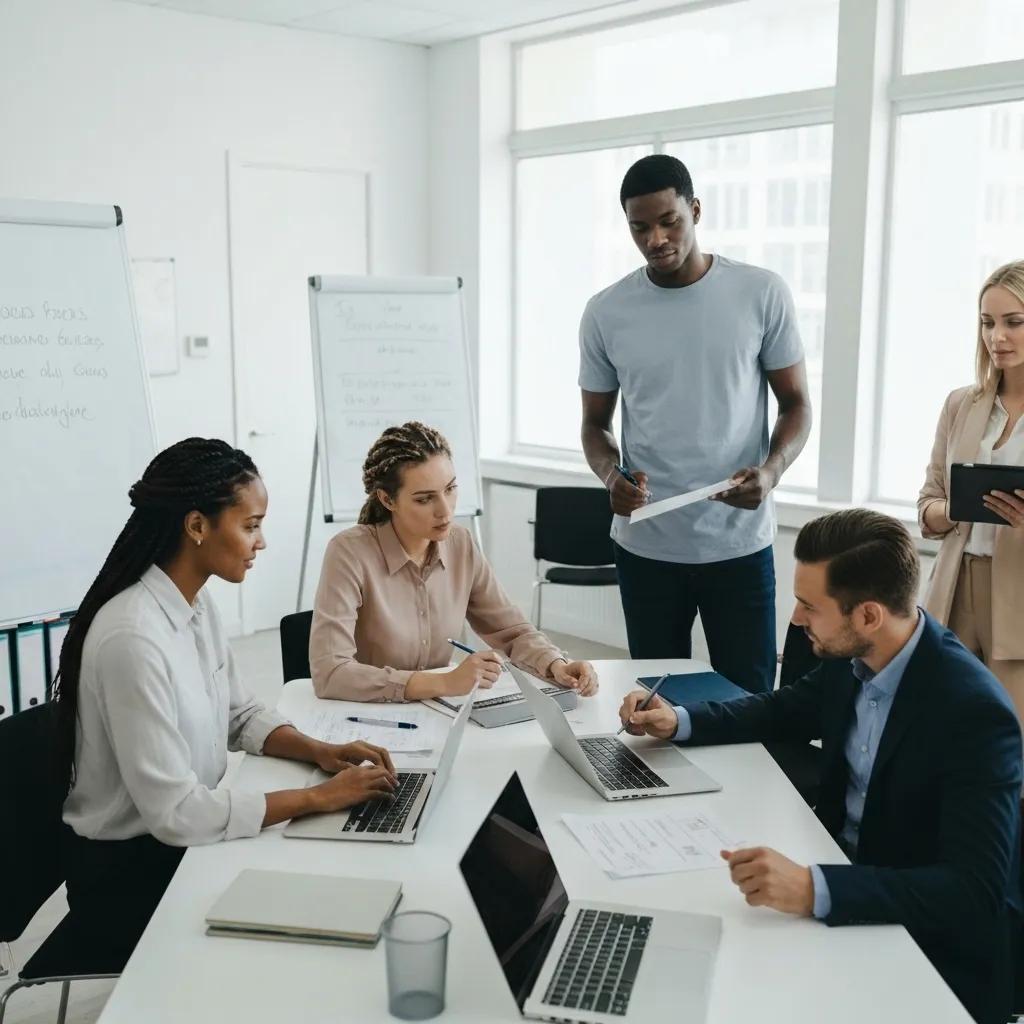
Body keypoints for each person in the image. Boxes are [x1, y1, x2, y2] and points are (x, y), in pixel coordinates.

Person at [617, 509, 1021, 1024]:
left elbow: (972, 892)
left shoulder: (973, 713)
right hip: (837, 870)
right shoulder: (856, 657)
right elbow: (781, 709)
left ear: (868, 615)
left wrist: (814, 889)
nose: (798, 618)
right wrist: (679, 720)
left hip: (920, 943)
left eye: (810, 606)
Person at [54, 438, 398, 973]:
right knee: (306, 905)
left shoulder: (193, 603)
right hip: (130, 874)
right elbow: (177, 815)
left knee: (326, 867)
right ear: (197, 526)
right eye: (250, 525)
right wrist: (316, 798)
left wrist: (320, 751)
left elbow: (240, 714)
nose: (261, 542)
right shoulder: (133, 639)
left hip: (178, 843)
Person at [579, 153, 811, 693]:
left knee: (750, 701)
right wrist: (611, 477)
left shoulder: (761, 292)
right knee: (656, 702)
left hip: (738, 545)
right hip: (647, 549)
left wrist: (772, 471)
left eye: (670, 221)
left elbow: (796, 403)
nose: (656, 239)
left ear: (696, 210)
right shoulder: (606, 312)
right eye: (640, 228)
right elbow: (594, 425)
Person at [309, 421, 598, 702]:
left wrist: (556, 664)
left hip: (438, 712)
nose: (445, 511)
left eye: (450, 489)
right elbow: (331, 673)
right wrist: (443, 682)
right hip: (365, 715)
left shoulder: (460, 544)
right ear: (387, 500)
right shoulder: (348, 552)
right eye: (424, 499)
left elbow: (512, 631)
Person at [919, 259, 1024, 730]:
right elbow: (927, 505)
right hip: (955, 585)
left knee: (1011, 738)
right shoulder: (962, 403)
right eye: (988, 322)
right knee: (944, 730)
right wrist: (954, 509)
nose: (997, 337)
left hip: (1017, 592)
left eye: (1013, 322)